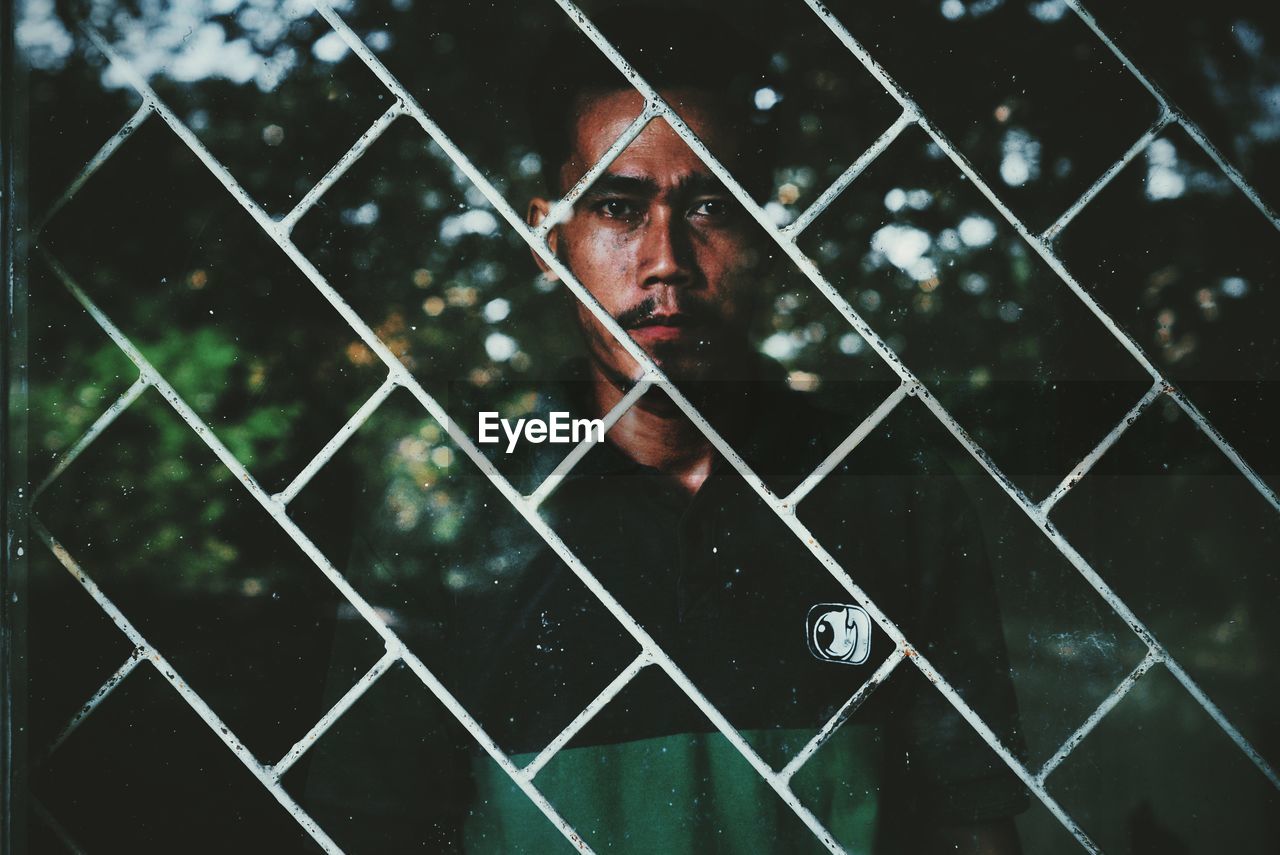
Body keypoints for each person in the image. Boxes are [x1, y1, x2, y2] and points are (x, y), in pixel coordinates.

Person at [303, 8, 1029, 853]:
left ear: (765, 231)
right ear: (548, 234)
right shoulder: (455, 507)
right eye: (618, 205)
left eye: (711, 204)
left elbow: (973, 824)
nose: (666, 260)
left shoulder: (894, 491)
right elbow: (372, 827)